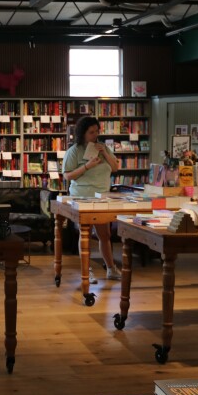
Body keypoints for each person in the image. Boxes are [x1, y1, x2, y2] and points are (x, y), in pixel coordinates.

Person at [62, 116, 121, 282]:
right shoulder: (74, 151)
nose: (95, 135)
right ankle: (86, 271)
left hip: (102, 196)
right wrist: (87, 166)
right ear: (83, 133)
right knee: (85, 232)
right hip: (82, 196)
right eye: (91, 132)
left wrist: (104, 153)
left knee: (105, 234)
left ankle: (111, 269)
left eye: (97, 131)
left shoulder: (103, 148)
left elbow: (115, 167)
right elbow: (67, 176)